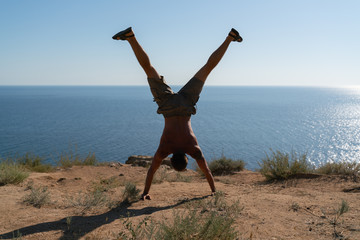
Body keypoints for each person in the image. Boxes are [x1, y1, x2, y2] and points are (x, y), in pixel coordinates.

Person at [112, 27, 242, 200]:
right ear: (171, 159)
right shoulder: (165, 149)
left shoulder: (194, 150)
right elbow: (152, 171)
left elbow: (207, 172)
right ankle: (131, 38)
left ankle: (229, 38)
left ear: (187, 159)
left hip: (187, 104)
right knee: (149, 69)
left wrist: (214, 191)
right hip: (167, 107)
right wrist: (145, 193)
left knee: (207, 68)